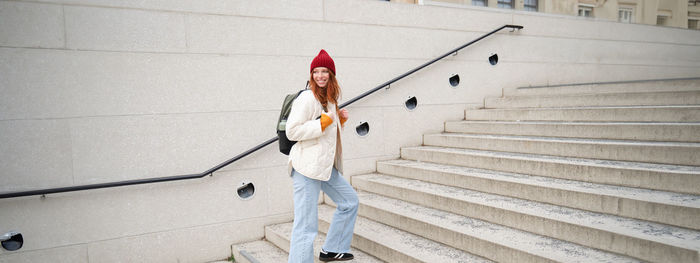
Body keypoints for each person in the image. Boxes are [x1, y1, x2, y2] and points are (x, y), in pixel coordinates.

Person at [285, 49, 359, 262]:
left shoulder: (330, 99)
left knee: (349, 201)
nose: (320, 76)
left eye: (324, 71)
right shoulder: (307, 98)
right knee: (306, 226)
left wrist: (339, 122)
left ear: (331, 74)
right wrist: (322, 123)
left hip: (325, 167)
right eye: (316, 71)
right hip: (306, 169)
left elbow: (325, 135)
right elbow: (293, 131)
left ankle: (332, 248)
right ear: (311, 75)